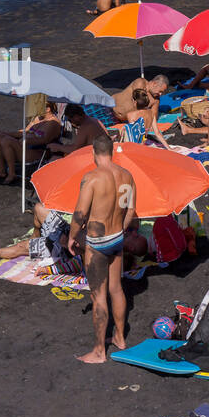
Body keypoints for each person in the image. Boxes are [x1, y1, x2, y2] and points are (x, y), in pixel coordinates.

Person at [69, 132, 136, 363]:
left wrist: (72, 237)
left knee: (98, 297)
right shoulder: (127, 176)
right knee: (116, 289)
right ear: (111, 151)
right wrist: (121, 231)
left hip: (97, 244)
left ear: (93, 152)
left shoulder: (92, 178)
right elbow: (129, 211)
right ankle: (119, 337)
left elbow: (79, 213)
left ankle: (99, 351)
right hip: (117, 238)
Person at [0, 100, 62, 184]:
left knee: (7, 141)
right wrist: (7, 133)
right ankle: (1, 170)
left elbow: (44, 140)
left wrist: (26, 141)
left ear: (48, 109)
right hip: (26, 146)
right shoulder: (38, 118)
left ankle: (12, 174)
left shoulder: (53, 123)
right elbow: (26, 131)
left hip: (39, 152)